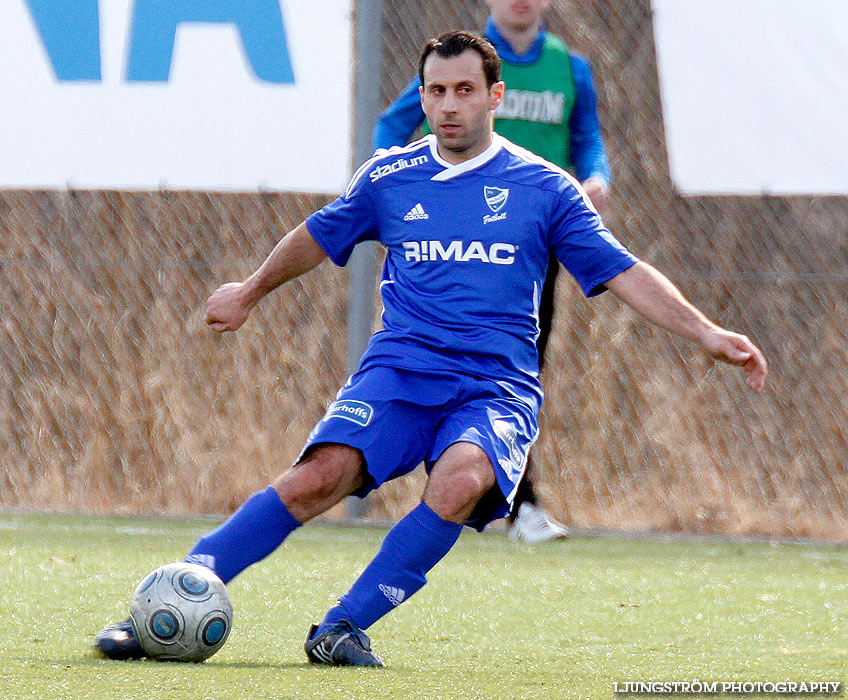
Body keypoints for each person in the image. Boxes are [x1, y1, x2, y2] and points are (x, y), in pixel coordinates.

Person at [95, 31, 767, 668]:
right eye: (436, 91)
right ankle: (173, 596)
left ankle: (342, 626)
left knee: (462, 479)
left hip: (495, 388)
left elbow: (623, 270)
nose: (449, 105)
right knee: (317, 477)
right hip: (399, 372)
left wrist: (706, 331)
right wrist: (249, 289)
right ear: (422, 96)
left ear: (495, 96)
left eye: (464, 90)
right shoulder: (391, 177)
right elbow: (315, 233)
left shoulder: (545, 189)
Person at [374, 0, 611, 542]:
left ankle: (500, 495)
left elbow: (588, 139)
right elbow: (391, 125)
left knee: (520, 366)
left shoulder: (568, 66)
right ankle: (507, 500)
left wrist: (596, 177)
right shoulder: (463, 65)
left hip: (528, 244)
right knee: (434, 356)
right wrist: (394, 183)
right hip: (456, 239)